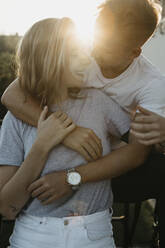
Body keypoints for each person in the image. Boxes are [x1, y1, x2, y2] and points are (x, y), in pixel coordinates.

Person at [2, 0, 164, 245]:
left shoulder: (151, 86)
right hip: (35, 229)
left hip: (105, 188)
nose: (91, 53)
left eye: (105, 46)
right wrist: (64, 133)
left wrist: (71, 177)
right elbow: (12, 94)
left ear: (134, 53)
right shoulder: (78, 52)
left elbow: (135, 155)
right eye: (95, 38)